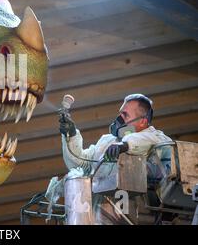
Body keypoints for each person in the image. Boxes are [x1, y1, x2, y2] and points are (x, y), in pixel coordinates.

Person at [59, 93, 172, 224]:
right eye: (120, 113)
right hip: (98, 217)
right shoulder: (107, 141)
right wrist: (71, 135)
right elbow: (80, 162)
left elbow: (145, 141)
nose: (119, 119)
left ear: (143, 121)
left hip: (133, 217)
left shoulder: (157, 139)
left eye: (125, 115)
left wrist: (124, 145)